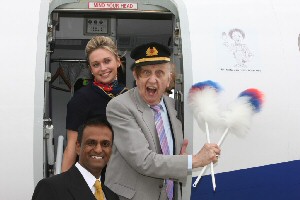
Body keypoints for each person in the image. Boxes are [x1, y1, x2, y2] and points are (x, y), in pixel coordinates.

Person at [104, 42, 221, 200]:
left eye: (159, 73)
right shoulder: (120, 107)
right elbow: (143, 161)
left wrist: (182, 157)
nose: (153, 80)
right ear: (136, 77)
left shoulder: (174, 106)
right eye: (146, 72)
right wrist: (194, 160)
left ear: (168, 79)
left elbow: (174, 154)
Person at [62, 36, 128, 175]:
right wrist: (63, 187)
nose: (103, 68)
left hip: (126, 174)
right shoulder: (81, 99)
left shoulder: (128, 95)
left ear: (117, 61)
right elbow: (72, 146)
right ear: (91, 69)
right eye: (96, 64)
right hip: (95, 175)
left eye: (107, 61)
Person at [32, 117, 120, 200]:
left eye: (105, 144)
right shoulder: (51, 187)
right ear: (78, 147)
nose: (98, 150)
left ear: (111, 150)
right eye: (91, 143)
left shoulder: (112, 196)